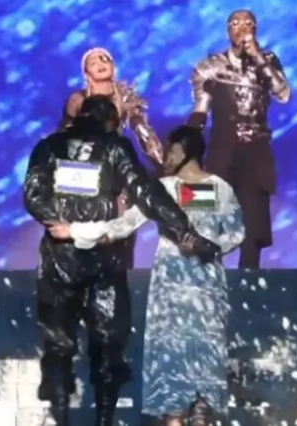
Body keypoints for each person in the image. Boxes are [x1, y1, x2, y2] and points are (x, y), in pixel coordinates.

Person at [23, 95, 220, 426]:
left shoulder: (48, 146)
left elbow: (33, 195)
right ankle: (103, 420)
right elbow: (145, 192)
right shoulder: (114, 146)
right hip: (103, 256)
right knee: (108, 344)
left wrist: (63, 224)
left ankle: (61, 419)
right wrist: (183, 231)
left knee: (58, 344)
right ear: (112, 121)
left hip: (60, 255)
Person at [56, 125, 245, 426]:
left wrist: (208, 247)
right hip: (170, 288)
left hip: (207, 287)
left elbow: (236, 232)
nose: (166, 156)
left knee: (204, 363)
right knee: (171, 361)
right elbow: (125, 223)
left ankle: (201, 412)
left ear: (187, 151)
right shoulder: (162, 188)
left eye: (172, 150)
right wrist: (78, 232)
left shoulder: (220, 189)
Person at [186, 9, 290, 269]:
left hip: (256, 150)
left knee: (253, 222)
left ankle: (249, 278)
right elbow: (201, 109)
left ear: (255, 29)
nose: (241, 28)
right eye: (235, 23)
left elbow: (283, 94)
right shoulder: (210, 67)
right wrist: (188, 150)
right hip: (222, 148)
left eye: (248, 23)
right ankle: (213, 276)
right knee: (211, 216)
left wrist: (257, 57)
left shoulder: (267, 60)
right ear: (227, 31)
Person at [59, 47, 164, 268]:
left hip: (117, 170)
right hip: (86, 174)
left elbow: (145, 135)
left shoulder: (126, 97)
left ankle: (122, 274)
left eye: (105, 59)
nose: (100, 63)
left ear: (113, 67)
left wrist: (164, 164)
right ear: (86, 74)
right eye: (93, 62)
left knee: (121, 235)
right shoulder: (78, 100)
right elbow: (64, 140)